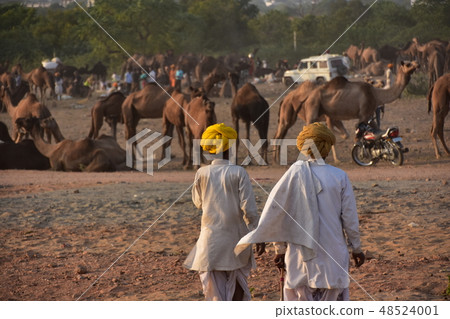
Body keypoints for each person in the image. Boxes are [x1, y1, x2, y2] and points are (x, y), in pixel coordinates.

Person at [236, 122, 365, 301]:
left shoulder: (293, 174)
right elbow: (350, 219)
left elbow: (279, 213)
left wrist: (279, 249)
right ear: (327, 148)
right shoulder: (339, 176)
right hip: (333, 257)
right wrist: (356, 248)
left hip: (299, 259)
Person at [183, 123, 265, 301]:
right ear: (229, 149)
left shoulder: (201, 173)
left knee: (214, 294)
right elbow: (249, 209)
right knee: (237, 286)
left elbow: (198, 203)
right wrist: (256, 234)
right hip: (236, 239)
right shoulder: (239, 172)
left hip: (209, 241)